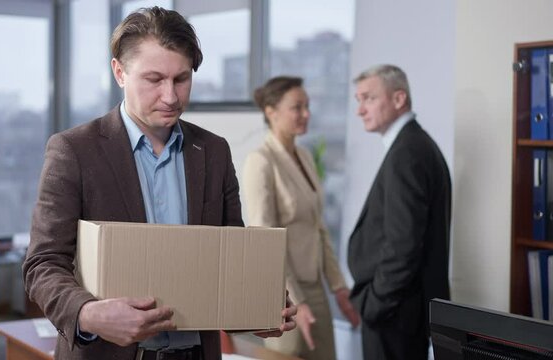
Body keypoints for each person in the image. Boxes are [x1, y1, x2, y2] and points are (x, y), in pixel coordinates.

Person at [22, 7, 296, 360]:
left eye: (181, 79)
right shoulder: (74, 150)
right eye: (154, 79)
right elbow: (42, 264)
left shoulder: (213, 151)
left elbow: (228, 266)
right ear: (119, 72)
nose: (171, 96)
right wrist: (88, 314)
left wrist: (256, 310)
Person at [243, 76, 360, 360]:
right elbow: (264, 241)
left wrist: (339, 286)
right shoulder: (261, 162)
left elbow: (318, 226)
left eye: (307, 106)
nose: (306, 114)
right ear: (271, 112)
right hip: (283, 292)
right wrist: (297, 301)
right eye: (297, 107)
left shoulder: (305, 157)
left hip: (315, 287)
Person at [348, 64, 451, 360]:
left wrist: (376, 303)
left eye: (368, 98)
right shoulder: (414, 145)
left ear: (398, 99)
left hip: (396, 315)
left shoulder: (407, 153)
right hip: (403, 312)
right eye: (358, 100)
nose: (360, 110)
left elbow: (403, 245)